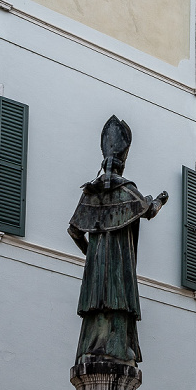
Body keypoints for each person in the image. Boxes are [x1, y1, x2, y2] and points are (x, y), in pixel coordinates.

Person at [68, 116, 168, 366]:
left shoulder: (90, 194)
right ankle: (117, 347)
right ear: (122, 162)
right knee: (118, 302)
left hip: (96, 266)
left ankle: (92, 347)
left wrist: (92, 255)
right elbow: (149, 210)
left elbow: (73, 231)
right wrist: (160, 200)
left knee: (96, 306)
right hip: (118, 264)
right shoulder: (127, 190)